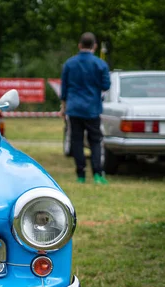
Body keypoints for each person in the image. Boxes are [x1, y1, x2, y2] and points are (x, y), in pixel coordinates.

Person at [60, 32, 111, 184]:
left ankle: (81, 175)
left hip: (74, 108)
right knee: (95, 141)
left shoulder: (69, 64)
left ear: (79, 45)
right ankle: (97, 174)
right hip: (92, 109)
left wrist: (64, 108)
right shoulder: (100, 64)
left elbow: (64, 90)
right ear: (94, 46)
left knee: (76, 140)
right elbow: (106, 86)